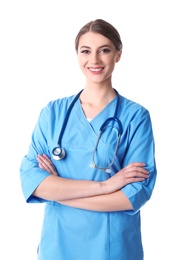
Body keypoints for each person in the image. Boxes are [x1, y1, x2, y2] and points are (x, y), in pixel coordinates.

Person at [19, 18, 157, 260]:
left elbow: (133, 194)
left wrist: (59, 191)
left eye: (104, 50)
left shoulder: (135, 117)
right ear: (77, 55)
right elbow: (33, 182)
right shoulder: (53, 113)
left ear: (118, 54)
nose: (94, 60)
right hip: (58, 246)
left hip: (112, 246)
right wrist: (106, 186)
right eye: (86, 51)